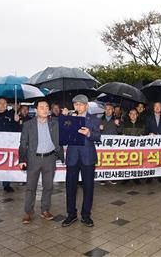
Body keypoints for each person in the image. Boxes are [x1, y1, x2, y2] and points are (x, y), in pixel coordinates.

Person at [19, 99, 64, 224]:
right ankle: (28, 212)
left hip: (50, 158)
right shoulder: (28, 125)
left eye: (46, 107)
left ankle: (45, 210)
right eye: (42, 107)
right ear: (36, 110)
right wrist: (22, 159)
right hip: (34, 159)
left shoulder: (54, 123)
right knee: (30, 187)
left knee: (48, 186)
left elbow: (68, 124)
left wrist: (67, 115)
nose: (45, 109)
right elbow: (23, 143)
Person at [62, 94, 101, 227]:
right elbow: (62, 136)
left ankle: (86, 216)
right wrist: (65, 120)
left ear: (86, 105)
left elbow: (98, 136)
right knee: (70, 187)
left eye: (80, 104)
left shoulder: (94, 120)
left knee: (88, 188)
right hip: (72, 157)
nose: (77, 106)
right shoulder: (69, 119)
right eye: (75, 104)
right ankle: (71, 215)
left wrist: (89, 133)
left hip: (88, 157)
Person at [98, 103, 122, 185]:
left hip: (113, 145)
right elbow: (95, 132)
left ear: (113, 110)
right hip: (103, 145)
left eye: (109, 109)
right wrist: (99, 129)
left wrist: (118, 125)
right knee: (103, 160)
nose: (107, 111)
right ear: (104, 110)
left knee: (112, 160)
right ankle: (103, 178)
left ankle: (112, 177)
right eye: (106, 109)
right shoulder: (100, 120)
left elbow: (120, 131)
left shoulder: (117, 120)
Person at [145, 102, 161, 183]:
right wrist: (149, 133)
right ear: (153, 107)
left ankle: (160, 176)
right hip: (152, 141)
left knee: (160, 158)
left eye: (159, 106)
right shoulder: (149, 117)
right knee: (151, 158)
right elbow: (146, 129)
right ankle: (149, 176)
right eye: (156, 106)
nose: (157, 108)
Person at [122, 108, 146, 185]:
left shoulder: (142, 124)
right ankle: (126, 178)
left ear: (137, 115)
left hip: (137, 148)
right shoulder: (124, 123)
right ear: (129, 115)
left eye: (135, 114)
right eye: (131, 113)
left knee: (137, 162)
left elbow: (145, 133)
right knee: (126, 162)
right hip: (127, 148)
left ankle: (136, 178)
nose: (133, 115)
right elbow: (119, 132)